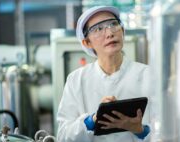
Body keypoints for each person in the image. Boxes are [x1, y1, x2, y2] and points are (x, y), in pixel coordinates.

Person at [56, 5, 150, 142]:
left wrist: (140, 130)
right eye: (99, 29)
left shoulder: (148, 75)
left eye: (113, 24)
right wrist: (92, 120)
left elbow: (166, 131)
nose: (110, 33)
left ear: (122, 31)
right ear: (87, 42)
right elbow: (63, 136)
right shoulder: (76, 80)